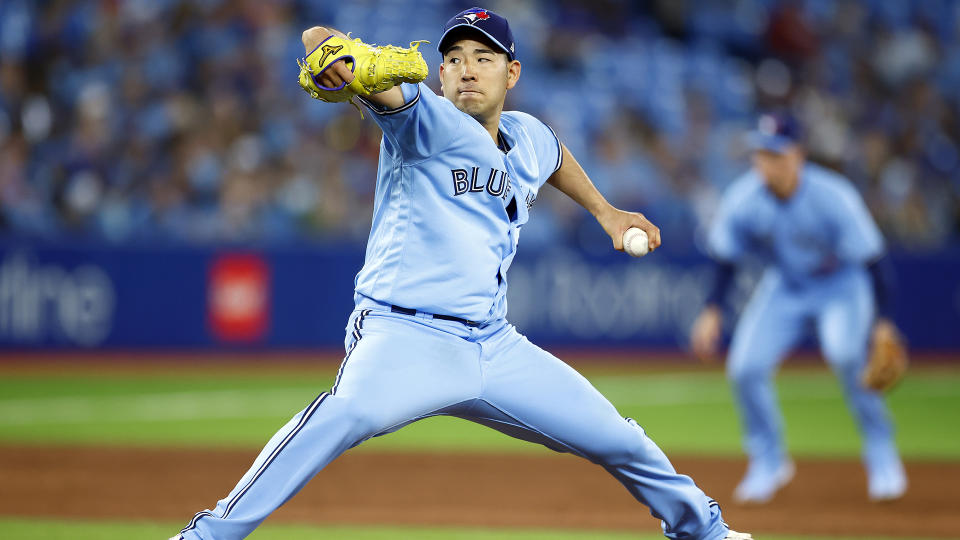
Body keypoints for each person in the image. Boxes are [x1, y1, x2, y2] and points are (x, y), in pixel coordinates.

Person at [172, 8, 749, 540]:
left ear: (512, 72)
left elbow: (553, 156)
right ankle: (205, 535)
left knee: (619, 437)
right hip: (403, 336)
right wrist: (338, 52)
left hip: (493, 345)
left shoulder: (528, 136)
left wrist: (605, 211)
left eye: (483, 57)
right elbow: (316, 42)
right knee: (339, 415)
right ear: (440, 76)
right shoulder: (422, 120)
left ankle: (706, 532)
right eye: (453, 59)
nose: (466, 70)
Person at [689, 111, 907, 504]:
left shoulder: (834, 195)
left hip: (842, 285)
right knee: (745, 367)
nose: (766, 162)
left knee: (846, 355)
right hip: (785, 287)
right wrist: (712, 309)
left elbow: (874, 263)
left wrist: (884, 323)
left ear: (798, 155)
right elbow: (725, 257)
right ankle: (769, 460)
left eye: (776, 153)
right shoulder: (745, 197)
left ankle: (881, 453)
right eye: (760, 153)